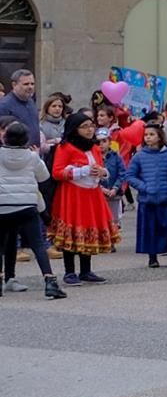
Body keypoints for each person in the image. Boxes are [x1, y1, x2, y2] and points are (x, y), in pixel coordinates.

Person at [49, 112, 115, 283]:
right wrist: (81, 171)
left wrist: (102, 172)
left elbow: (101, 167)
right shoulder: (65, 147)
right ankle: (69, 272)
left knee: (88, 230)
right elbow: (57, 172)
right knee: (71, 231)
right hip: (73, 195)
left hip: (92, 194)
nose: (89, 130)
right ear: (75, 129)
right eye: (84, 127)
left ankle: (86, 270)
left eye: (91, 126)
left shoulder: (94, 147)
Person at [1, 121, 62, 296]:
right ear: (26, 139)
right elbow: (44, 177)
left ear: (5, 138)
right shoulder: (31, 156)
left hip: (2, 205)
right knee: (37, 244)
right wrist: (35, 156)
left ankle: (3, 280)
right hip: (27, 205)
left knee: (2, 243)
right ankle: (50, 281)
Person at [124, 123, 167, 268]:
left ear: (159, 137)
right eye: (146, 135)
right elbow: (130, 175)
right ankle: (153, 257)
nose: (148, 137)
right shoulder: (139, 156)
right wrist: (144, 187)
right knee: (151, 229)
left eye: (152, 134)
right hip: (147, 199)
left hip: (164, 198)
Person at [0, 69, 39, 143]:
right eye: (26, 84)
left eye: (32, 84)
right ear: (14, 85)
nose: (30, 87)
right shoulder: (4, 106)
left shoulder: (31, 102)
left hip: (33, 152)